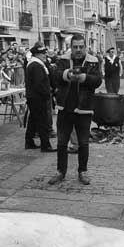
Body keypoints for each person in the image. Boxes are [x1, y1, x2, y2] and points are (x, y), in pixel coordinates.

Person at [48, 37, 102, 186]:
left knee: (83, 143)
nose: (78, 50)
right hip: (65, 108)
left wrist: (85, 78)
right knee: (61, 143)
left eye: (81, 47)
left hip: (84, 109)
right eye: (75, 47)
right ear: (70, 47)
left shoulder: (93, 61)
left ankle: (82, 172)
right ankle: (60, 171)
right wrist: (67, 75)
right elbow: (55, 76)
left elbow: (98, 80)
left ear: (86, 47)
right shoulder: (63, 60)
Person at [24, 42, 53, 151]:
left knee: (33, 120)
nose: (45, 55)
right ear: (36, 55)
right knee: (42, 121)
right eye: (42, 53)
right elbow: (39, 84)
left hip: (33, 97)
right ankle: (45, 145)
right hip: (38, 97)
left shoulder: (35, 64)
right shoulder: (36, 65)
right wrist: (47, 93)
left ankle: (29, 141)